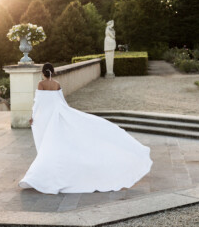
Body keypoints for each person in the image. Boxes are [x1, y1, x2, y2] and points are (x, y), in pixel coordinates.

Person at [19, 63, 152, 194]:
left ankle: (47, 171)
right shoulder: (57, 84)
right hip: (57, 113)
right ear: (52, 72)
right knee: (58, 140)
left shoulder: (41, 84)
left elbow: (38, 101)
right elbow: (61, 101)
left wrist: (33, 116)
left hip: (47, 116)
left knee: (50, 142)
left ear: (42, 72)